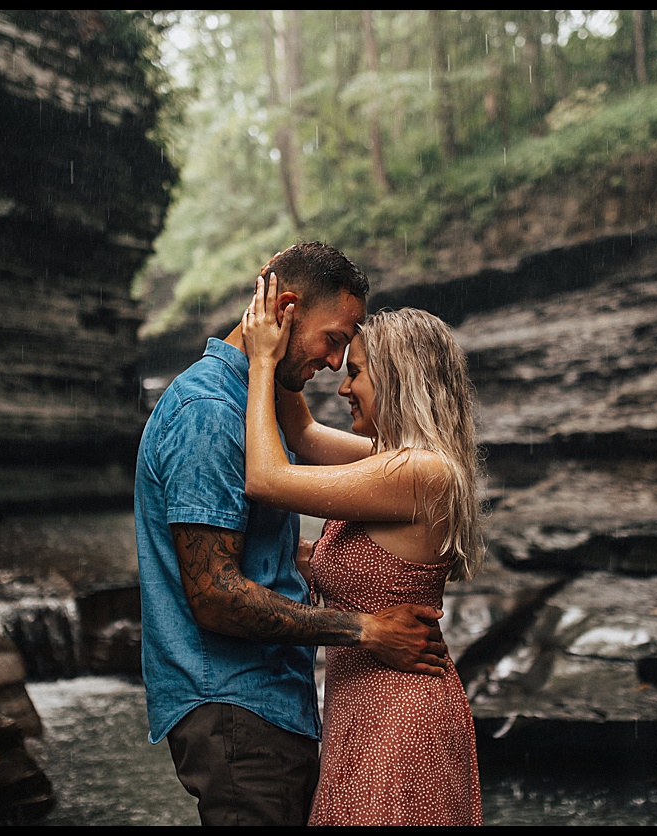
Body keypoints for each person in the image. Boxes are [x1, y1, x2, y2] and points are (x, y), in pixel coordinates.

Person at [134, 241, 448, 826]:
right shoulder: (207, 413)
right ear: (285, 310)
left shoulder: (254, 403)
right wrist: (364, 629)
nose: (336, 364)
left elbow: (304, 437)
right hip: (235, 707)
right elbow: (215, 596)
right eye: (335, 339)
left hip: (272, 704)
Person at [242, 272, 484, 825]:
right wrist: (282, 338)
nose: (343, 388)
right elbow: (299, 431)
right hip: (365, 710)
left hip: (401, 719)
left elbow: (267, 477)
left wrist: (259, 363)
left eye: (355, 374)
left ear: (397, 381)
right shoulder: (388, 458)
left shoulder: (419, 471)